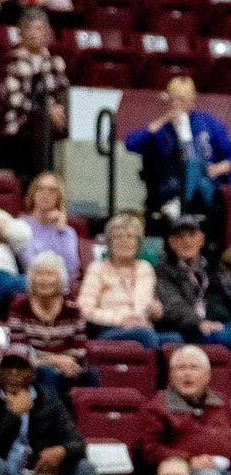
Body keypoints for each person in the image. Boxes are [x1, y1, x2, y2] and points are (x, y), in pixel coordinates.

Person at [0, 345, 98, 475]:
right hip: (4, 471)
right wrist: (13, 416)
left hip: (42, 472)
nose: (13, 373)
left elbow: (78, 443)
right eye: (8, 367)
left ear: (32, 372)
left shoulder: (49, 399)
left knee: (84, 468)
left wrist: (61, 451)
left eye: (21, 368)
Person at [126, 76, 231, 225]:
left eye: (182, 100)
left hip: (208, 184)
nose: (176, 105)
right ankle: (183, 205)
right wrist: (161, 122)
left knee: (196, 169)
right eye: (173, 100)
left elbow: (229, 154)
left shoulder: (208, 123)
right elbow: (131, 144)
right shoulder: (163, 128)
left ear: (192, 101)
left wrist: (220, 167)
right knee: (189, 166)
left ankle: (184, 205)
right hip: (171, 185)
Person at [141, 345, 231, 475]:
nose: (187, 373)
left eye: (194, 367)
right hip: (186, 474)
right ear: (172, 374)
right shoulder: (158, 406)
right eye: (181, 368)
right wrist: (189, 461)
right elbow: (150, 450)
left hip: (226, 471)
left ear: (207, 375)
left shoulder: (223, 403)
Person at [79, 212, 183, 349]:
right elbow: (85, 309)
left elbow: (152, 306)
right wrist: (122, 319)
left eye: (130, 237)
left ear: (138, 243)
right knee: (145, 335)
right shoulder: (97, 268)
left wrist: (155, 312)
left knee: (175, 339)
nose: (125, 241)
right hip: (110, 330)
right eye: (118, 237)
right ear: (109, 242)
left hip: (145, 329)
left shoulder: (145, 268)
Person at [8, 252, 98, 401]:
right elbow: (19, 353)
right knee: (45, 373)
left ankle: (91, 421)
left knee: (91, 374)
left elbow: (79, 350)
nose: (44, 280)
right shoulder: (19, 309)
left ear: (60, 279)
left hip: (67, 368)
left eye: (50, 274)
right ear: (31, 279)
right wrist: (55, 360)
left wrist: (60, 361)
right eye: (39, 274)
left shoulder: (73, 311)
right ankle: (50, 420)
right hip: (32, 371)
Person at [0, 8, 70, 184]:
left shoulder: (55, 62)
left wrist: (60, 110)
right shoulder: (11, 61)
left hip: (50, 127)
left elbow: (64, 94)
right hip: (19, 125)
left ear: (47, 33)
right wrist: (46, 112)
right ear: (21, 33)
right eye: (29, 29)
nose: (34, 34)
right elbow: (14, 101)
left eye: (39, 29)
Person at [156, 215, 231, 347]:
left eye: (192, 235)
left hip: (221, 324)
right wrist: (199, 323)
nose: (187, 241)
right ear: (171, 242)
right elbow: (173, 305)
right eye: (180, 237)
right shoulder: (163, 271)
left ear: (202, 239)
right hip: (189, 330)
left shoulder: (213, 267)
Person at [19, 172, 80, 281]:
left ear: (59, 196)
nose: (45, 194)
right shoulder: (22, 225)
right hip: (33, 285)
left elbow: (71, 269)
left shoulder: (67, 232)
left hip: (60, 288)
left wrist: (61, 231)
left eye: (51, 190)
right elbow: (29, 264)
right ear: (33, 193)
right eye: (40, 189)